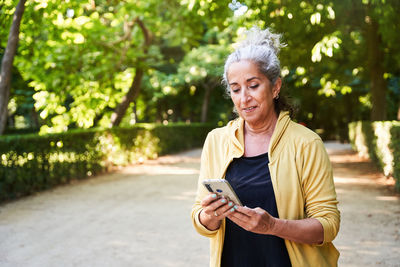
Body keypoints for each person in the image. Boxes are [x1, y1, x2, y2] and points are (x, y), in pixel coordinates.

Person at [190, 26, 340, 267]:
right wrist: (208, 215)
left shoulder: (306, 143)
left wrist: (272, 226)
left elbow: (328, 225)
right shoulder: (216, 140)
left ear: (275, 87)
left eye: (253, 85)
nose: (244, 98)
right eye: (235, 89)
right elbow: (200, 220)